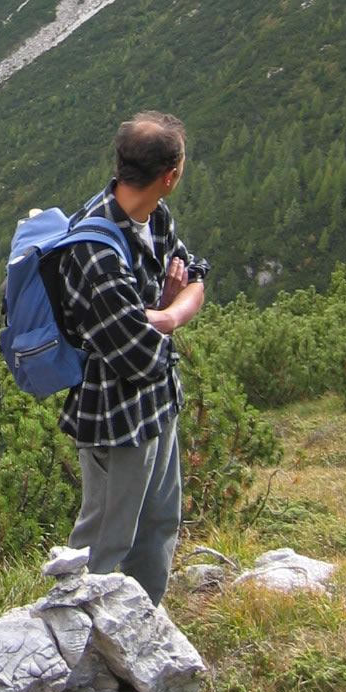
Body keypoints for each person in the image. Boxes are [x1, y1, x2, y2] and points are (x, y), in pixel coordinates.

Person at [55, 111, 208, 606]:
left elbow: (196, 277)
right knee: (104, 540)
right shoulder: (95, 249)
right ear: (171, 175)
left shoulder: (154, 217)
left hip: (158, 406)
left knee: (158, 524)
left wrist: (165, 314)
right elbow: (139, 358)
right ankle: (75, 628)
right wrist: (170, 310)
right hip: (115, 420)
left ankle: (141, 625)